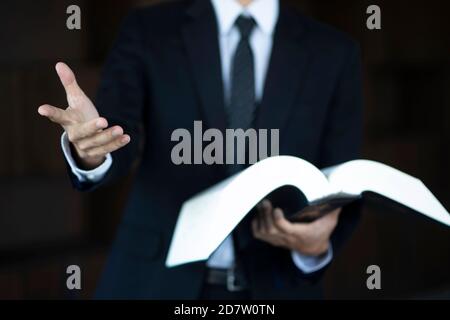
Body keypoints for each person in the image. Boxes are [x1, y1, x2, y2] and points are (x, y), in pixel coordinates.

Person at [38, 0, 363, 299]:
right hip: (154, 279)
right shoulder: (149, 29)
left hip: (277, 284)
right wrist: (92, 150)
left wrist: (316, 246)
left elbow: (341, 177)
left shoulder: (334, 51)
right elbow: (115, 133)